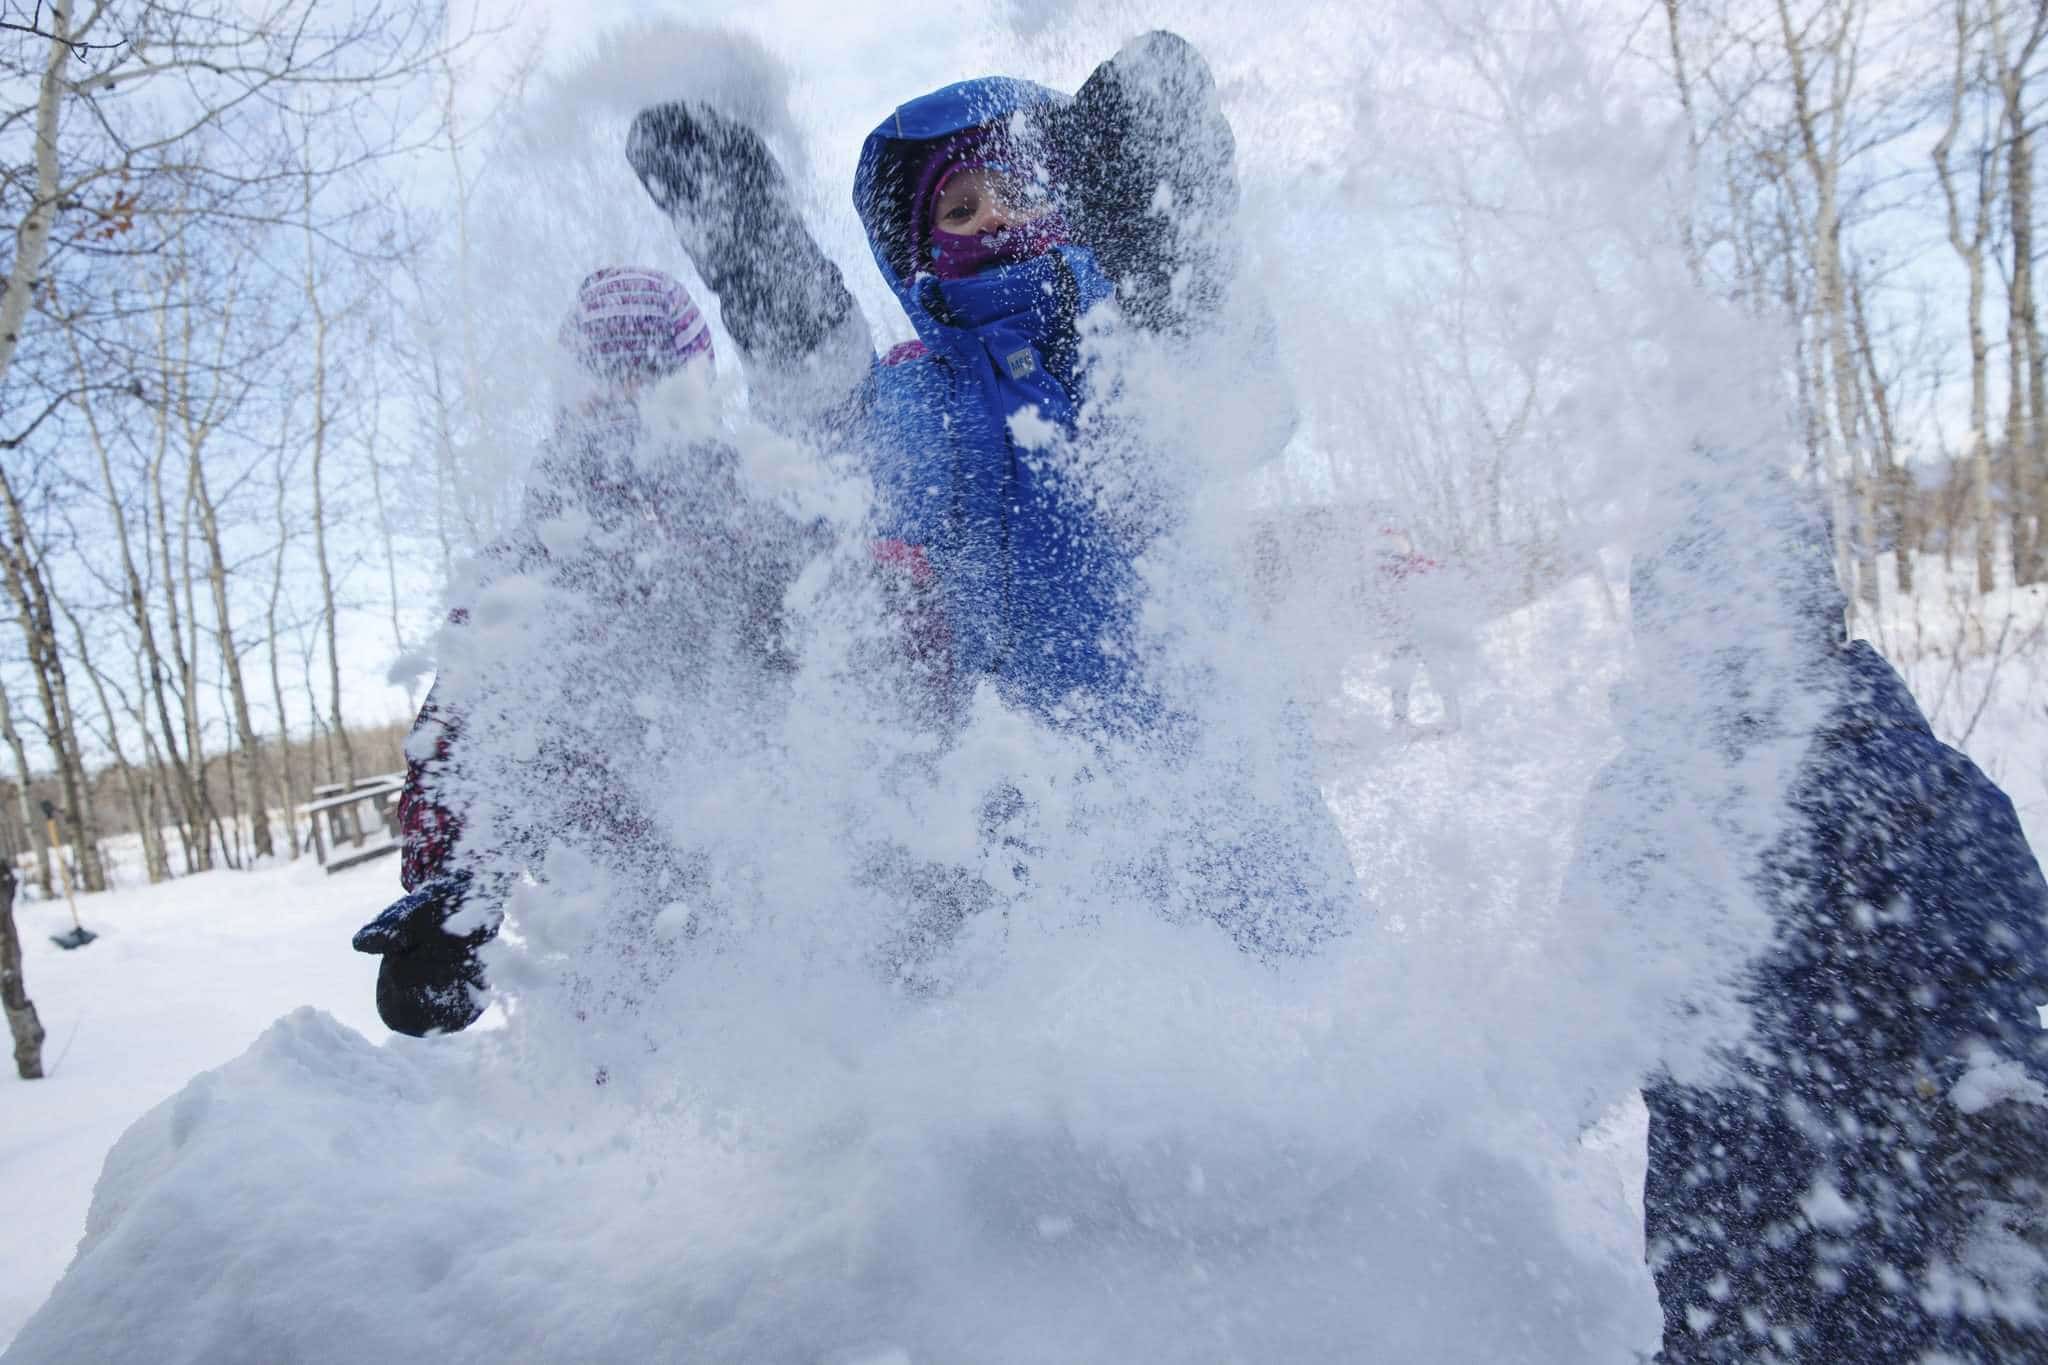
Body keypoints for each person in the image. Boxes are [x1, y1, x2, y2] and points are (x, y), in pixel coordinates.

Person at [625, 33, 1354, 959]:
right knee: (1112, 1065)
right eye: (960, 207)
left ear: (1077, 203)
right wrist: (765, 267)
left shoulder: (1133, 354)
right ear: (923, 250)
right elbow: (828, 433)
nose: (993, 215)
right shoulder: (925, 400)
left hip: (1223, 774)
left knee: (1313, 1020)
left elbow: (1250, 409)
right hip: (1038, 809)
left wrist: (1184, 231)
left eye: (1019, 188)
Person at [1566, 456, 2048, 1362]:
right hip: (1761, 1283)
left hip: (1870, 1291)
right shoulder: (1648, 805)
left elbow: (2004, 1083)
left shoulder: (1918, 798)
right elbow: (1576, 1026)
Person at [353, 266, 813, 1036]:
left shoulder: (755, 518)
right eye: (603, 371)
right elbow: (462, 735)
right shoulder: (528, 563)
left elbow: (831, 656)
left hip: (768, 897)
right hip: (612, 914)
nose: (625, 391)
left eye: (650, 369)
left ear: (692, 383)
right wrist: (452, 890)